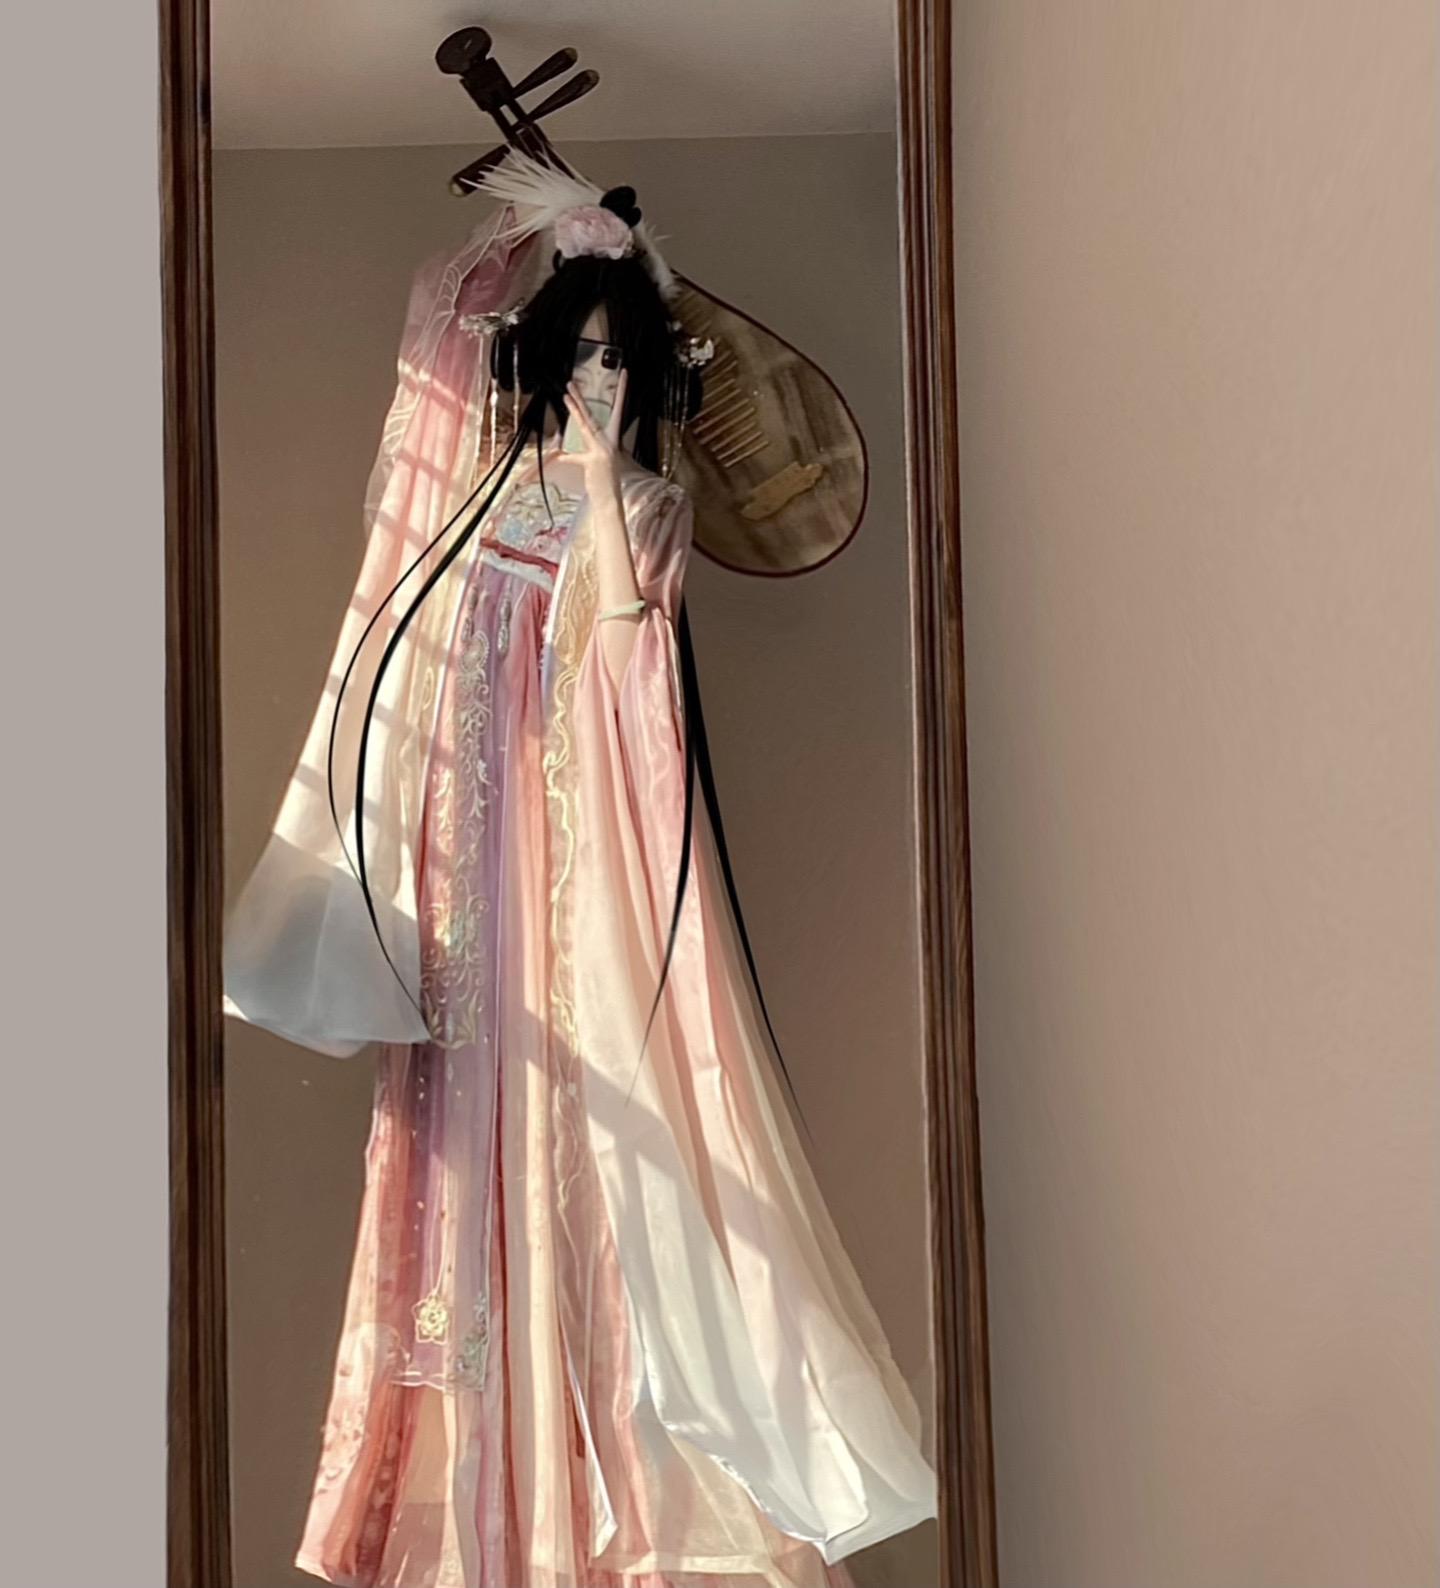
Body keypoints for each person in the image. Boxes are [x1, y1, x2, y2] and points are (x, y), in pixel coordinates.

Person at [223, 149, 938, 1588]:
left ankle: (623, 1514)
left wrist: (611, 479)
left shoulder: (648, 510)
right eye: (588, 355)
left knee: (615, 1135)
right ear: (551, 355)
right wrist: (516, 245)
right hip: (472, 869)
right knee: (467, 1137)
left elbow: (627, 658)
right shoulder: (476, 494)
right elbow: (425, 423)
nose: (603, 380)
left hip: (580, 858)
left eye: (625, 360)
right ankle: (482, 1520)